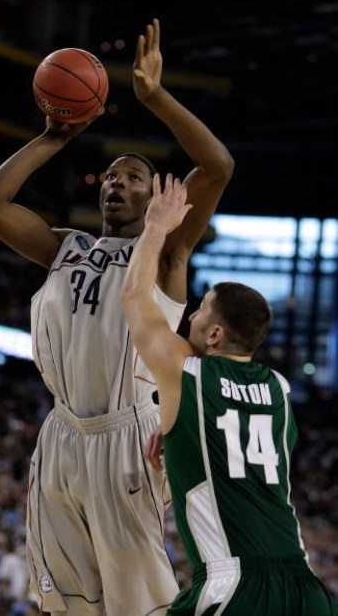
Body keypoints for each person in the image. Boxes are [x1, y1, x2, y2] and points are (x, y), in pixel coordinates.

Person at [0, 18, 234, 616]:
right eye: (110, 176)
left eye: (133, 177)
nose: (116, 183)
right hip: (61, 435)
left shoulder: (165, 253)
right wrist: (52, 138)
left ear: (153, 196)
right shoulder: (65, 246)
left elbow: (216, 166)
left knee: (139, 605)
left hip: (127, 437)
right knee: (66, 604)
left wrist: (155, 97)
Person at [121, 174, 338, 616]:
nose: (191, 315)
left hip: (235, 585)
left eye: (200, 310)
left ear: (215, 334)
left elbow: (133, 298)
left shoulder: (188, 372)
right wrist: (182, 439)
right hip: (306, 590)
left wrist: (157, 228)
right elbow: (244, 450)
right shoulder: (278, 389)